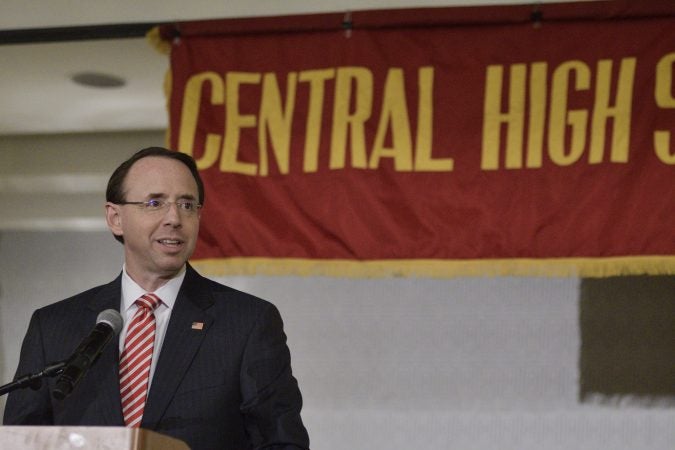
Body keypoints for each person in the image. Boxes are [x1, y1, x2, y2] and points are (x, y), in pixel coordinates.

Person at [3, 147, 310, 450]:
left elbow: (283, 443)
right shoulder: (53, 327)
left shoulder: (247, 323)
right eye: (155, 203)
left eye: (187, 205)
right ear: (115, 218)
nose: (174, 218)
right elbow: (21, 441)